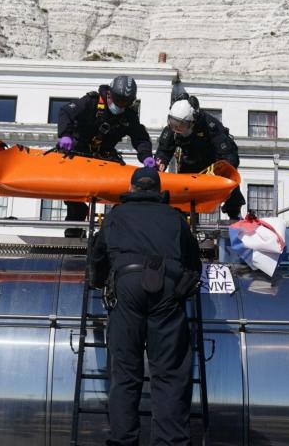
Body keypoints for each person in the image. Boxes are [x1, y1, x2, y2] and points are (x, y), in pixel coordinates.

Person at [90, 167, 200, 446]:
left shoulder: (116, 216)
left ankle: (123, 440)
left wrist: (101, 282)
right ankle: (171, 441)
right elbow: (194, 264)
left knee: (126, 374)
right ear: (159, 190)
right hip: (167, 290)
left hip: (126, 288)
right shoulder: (176, 218)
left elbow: (97, 257)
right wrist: (180, 291)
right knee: (170, 375)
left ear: (133, 188)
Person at [57, 75, 154, 237]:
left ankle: (116, 228)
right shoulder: (91, 102)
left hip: (104, 155)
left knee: (123, 189)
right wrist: (65, 135)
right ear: (109, 94)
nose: (121, 106)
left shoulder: (128, 115)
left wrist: (146, 156)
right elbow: (66, 112)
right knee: (75, 199)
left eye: (126, 103)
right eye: (119, 101)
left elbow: (140, 137)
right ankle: (74, 230)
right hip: (79, 153)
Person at [154, 97, 245, 220]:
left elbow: (228, 154)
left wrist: (222, 170)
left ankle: (235, 215)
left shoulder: (210, 125)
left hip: (213, 165)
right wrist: (161, 162)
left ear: (192, 121)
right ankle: (186, 220)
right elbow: (164, 150)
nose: (177, 128)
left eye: (181, 125)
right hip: (189, 165)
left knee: (230, 183)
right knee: (184, 195)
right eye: (173, 123)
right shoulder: (172, 130)